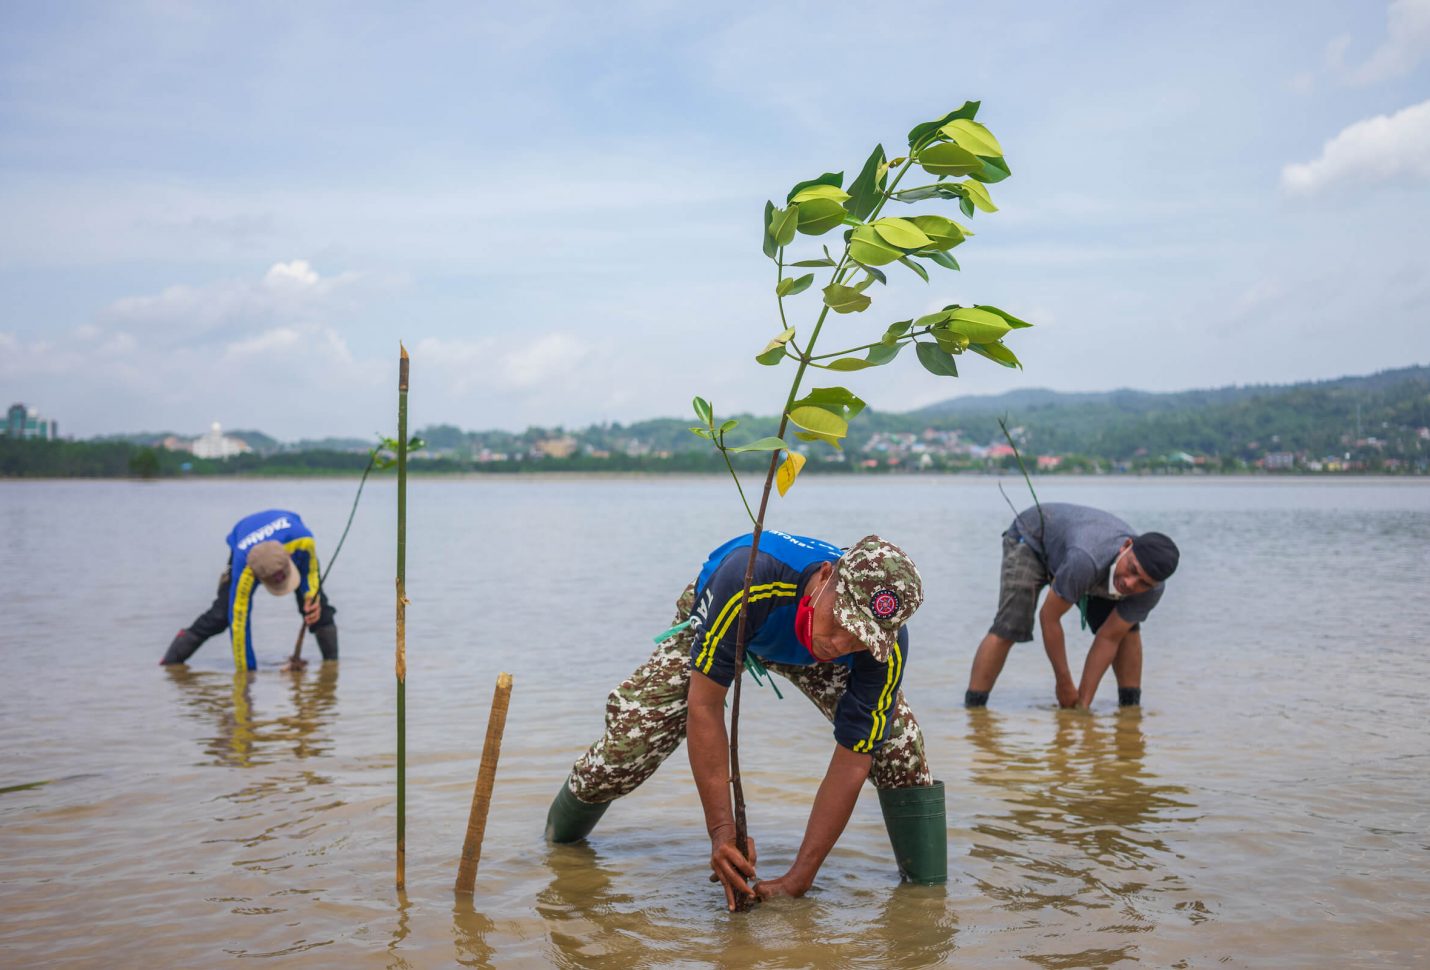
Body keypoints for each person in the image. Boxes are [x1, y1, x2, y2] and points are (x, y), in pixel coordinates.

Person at [544, 530, 946, 909]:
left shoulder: (880, 650)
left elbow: (854, 756)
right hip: (730, 616)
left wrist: (800, 878)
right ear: (826, 575)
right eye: (841, 622)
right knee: (628, 747)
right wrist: (722, 832)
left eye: (859, 638)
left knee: (898, 750)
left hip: (796, 639)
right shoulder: (747, 578)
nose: (840, 643)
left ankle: (925, 902)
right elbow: (704, 706)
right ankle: (556, 848)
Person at [965, 502, 1179, 710]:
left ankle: (1130, 710)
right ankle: (973, 710)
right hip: (1031, 540)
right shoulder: (1086, 559)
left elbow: (1109, 637)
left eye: (1144, 583)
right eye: (1132, 569)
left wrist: (1082, 705)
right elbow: (1049, 618)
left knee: (1127, 631)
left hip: (1078, 557)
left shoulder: (1152, 591)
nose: (1130, 583)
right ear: (1126, 547)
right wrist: (1064, 683)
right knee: (1010, 626)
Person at [161, 509, 338, 671]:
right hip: (245, 548)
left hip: (289, 542)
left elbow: (311, 570)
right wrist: (247, 675)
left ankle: (332, 665)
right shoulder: (244, 571)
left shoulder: (303, 541)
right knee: (221, 615)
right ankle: (170, 663)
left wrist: (310, 595)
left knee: (318, 607)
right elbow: (239, 625)